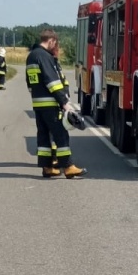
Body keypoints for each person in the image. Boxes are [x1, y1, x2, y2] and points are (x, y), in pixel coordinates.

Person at [25, 29, 85, 178]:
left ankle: (47, 167)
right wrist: (64, 102)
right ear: (51, 41)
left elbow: (30, 83)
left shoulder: (32, 56)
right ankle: (68, 166)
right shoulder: (44, 56)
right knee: (61, 134)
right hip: (50, 104)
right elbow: (52, 82)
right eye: (55, 43)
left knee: (44, 136)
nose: (55, 47)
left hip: (38, 104)